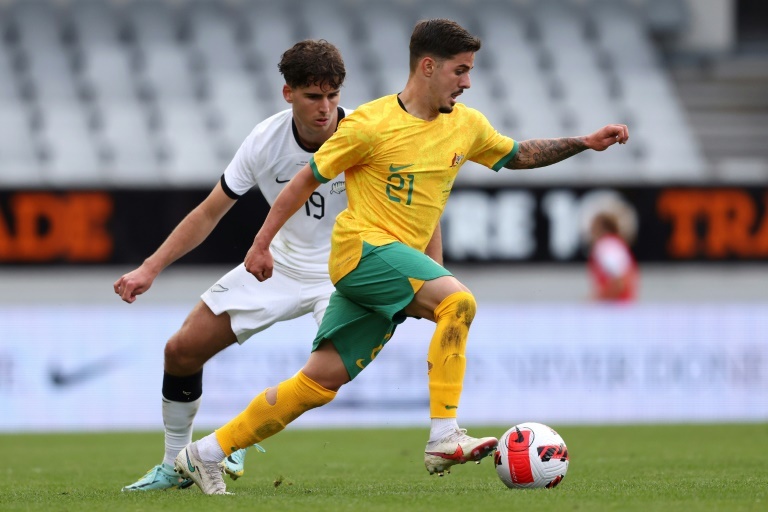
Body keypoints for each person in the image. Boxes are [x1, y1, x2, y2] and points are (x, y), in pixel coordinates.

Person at [175, 18, 629, 495]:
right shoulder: (369, 124)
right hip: (360, 252)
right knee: (460, 303)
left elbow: (518, 154)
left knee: (318, 383)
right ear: (428, 66)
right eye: (461, 70)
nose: (468, 82)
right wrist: (261, 243)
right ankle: (443, 436)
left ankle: (204, 453)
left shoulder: (467, 126)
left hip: (390, 264)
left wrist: (584, 142)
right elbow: (305, 180)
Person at [116, 39, 350, 491]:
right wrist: (150, 268)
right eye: (312, 96)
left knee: (328, 375)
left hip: (345, 272)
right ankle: (174, 464)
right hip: (277, 266)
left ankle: (232, 439)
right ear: (288, 94)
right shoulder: (265, 141)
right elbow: (208, 212)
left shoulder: (364, 133)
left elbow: (421, 199)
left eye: (333, 96)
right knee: (180, 351)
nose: (325, 108)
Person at [588, 211, 639, 301]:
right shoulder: (617, 244)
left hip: (614, 309)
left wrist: (597, 300)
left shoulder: (607, 245)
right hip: (622, 307)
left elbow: (619, 283)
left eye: (593, 229)